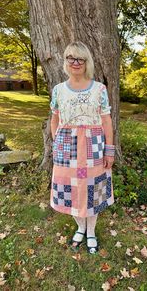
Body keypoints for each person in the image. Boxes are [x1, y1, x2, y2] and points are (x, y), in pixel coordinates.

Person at [50, 41, 115, 254]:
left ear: (87, 62)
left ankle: (92, 231)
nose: (75, 63)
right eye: (71, 58)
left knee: (93, 191)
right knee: (70, 191)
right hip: (66, 149)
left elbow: (106, 121)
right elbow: (55, 119)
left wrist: (109, 150)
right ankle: (80, 227)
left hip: (93, 147)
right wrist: (57, 144)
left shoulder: (99, 89)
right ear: (66, 61)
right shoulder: (58, 90)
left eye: (80, 59)